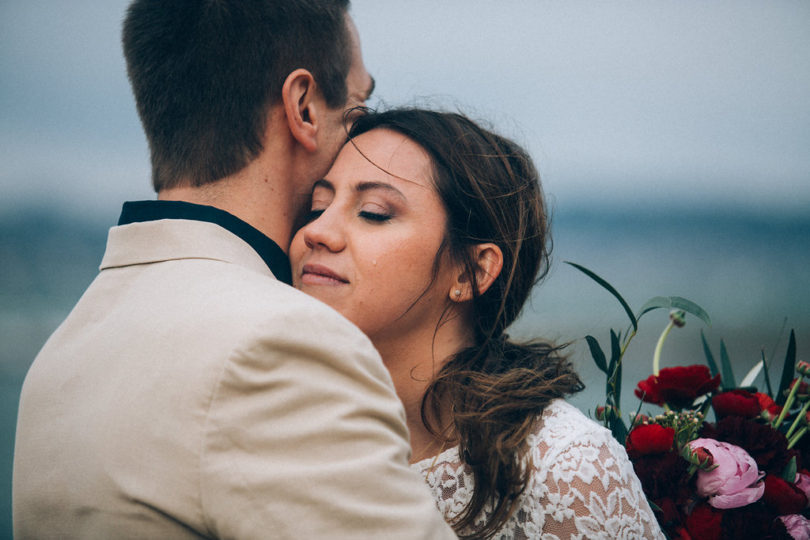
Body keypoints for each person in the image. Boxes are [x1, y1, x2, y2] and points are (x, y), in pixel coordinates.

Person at [13, 2, 455, 539]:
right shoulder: (281, 344)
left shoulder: (60, 358)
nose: (360, 142)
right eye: (357, 110)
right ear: (304, 108)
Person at [290, 108, 665, 539]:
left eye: (374, 212)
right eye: (317, 206)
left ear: (471, 272)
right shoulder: (288, 434)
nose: (317, 232)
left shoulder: (565, 469)